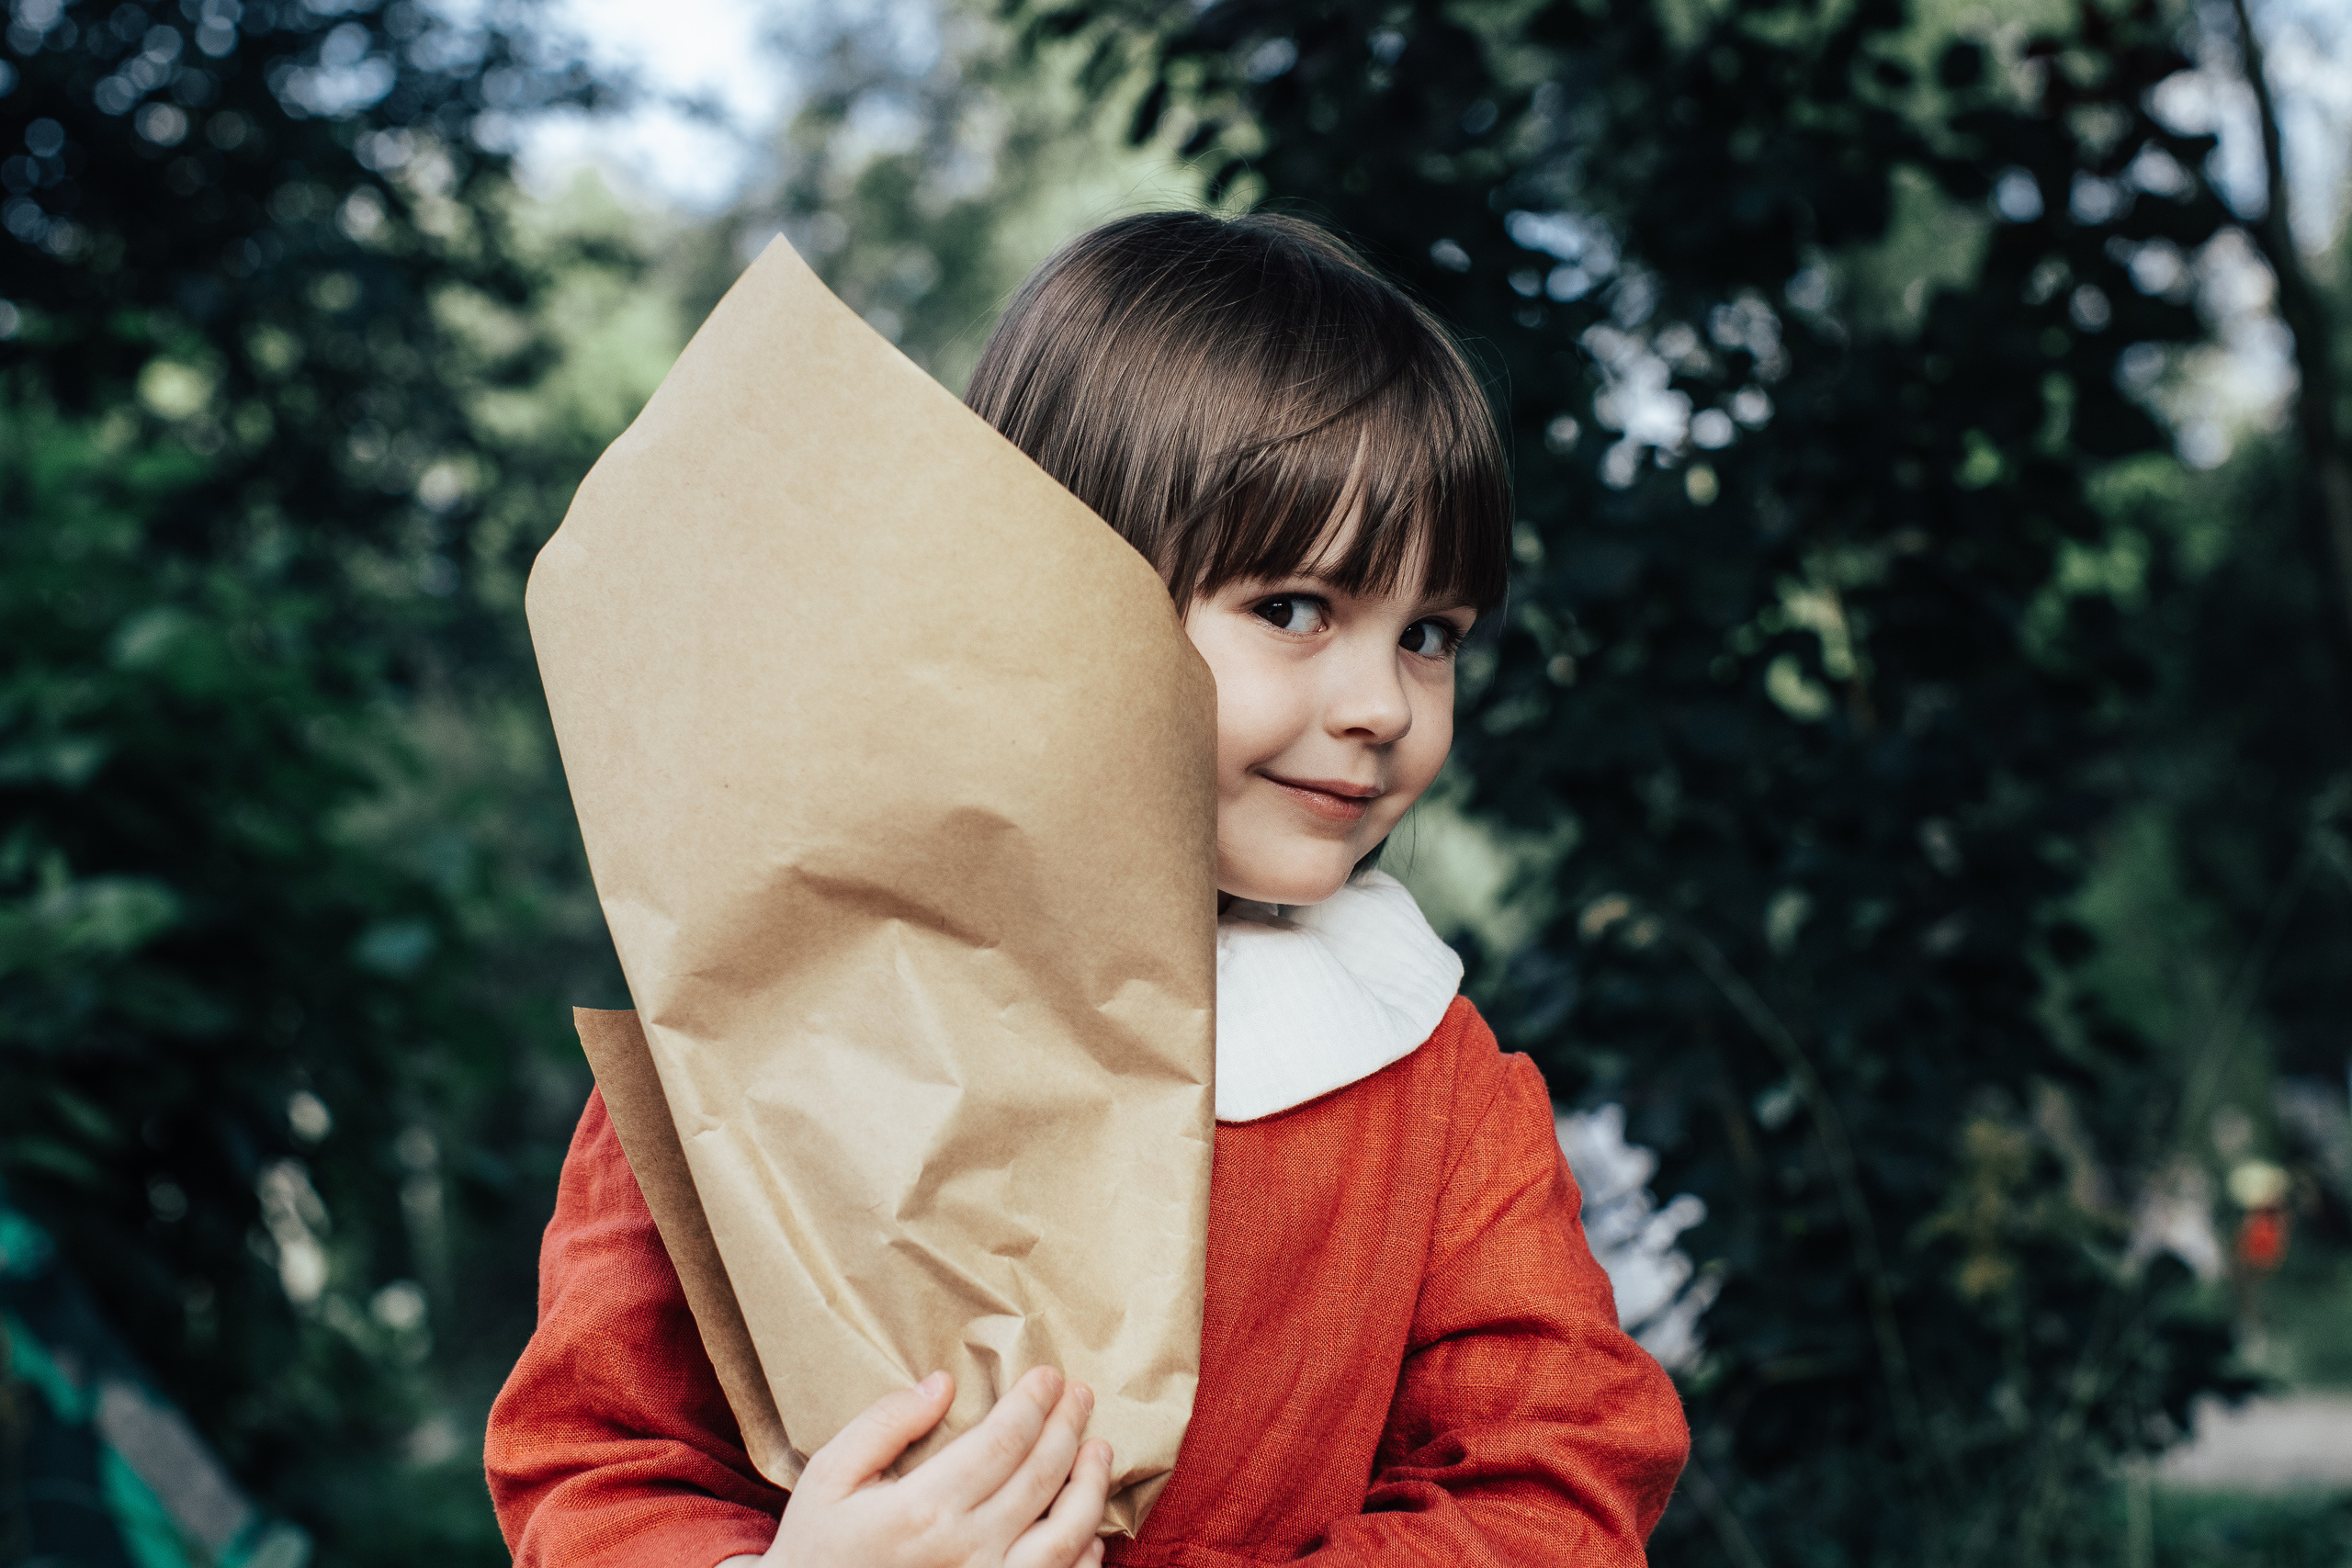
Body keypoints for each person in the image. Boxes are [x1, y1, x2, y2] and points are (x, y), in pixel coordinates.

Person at [484, 211, 1690, 1567]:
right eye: (1293, 607)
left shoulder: (1432, 1081)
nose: (1380, 706)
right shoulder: (766, 999)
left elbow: (1561, 1484)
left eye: (1431, 636)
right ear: (1054, 595)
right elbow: (590, 1470)